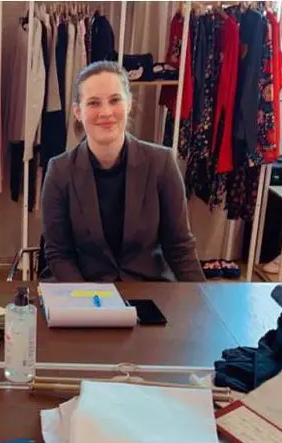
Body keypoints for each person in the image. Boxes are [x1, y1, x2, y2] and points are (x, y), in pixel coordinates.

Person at [41, 61, 205, 282]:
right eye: (94, 103)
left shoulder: (162, 163)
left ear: (129, 104)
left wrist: (200, 298)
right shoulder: (60, 171)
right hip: (86, 290)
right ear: (78, 112)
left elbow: (179, 247)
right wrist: (86, 298)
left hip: (148, 289)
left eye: (115, 100)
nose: (106, 112)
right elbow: (58, 254)